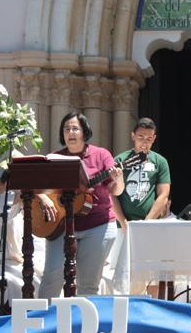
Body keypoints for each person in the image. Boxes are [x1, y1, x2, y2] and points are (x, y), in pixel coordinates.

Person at [37, 111, 124, 298]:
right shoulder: (55, 157)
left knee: (88, 284)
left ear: (84, 132)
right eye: (66, 129)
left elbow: (115, 191)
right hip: (61, 225)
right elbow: (38, 186)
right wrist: (44, 198)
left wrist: (118, 178)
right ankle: (41, 322)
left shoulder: (101, 155)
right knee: (52, 277)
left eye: (75, 128)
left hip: (98, 226)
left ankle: (83, 325)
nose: (70, 132)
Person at [109, 117, 172, 294]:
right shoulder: (120, 160)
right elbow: (112, 194)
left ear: (154, 139)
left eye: (149, 138)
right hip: (124, 227)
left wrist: (147, 222)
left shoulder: (160, 162)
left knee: (151, 274)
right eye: (141, 137)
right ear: (133, 136)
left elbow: (163, 195)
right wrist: (122, 222)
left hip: (150, 227)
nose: (145, 142)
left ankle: (152, 313)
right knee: (122, 275)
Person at [0, 169, 45, 301]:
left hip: (12, 264)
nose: (18, 194)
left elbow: (35, 240)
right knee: (22, 283)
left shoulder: (18, 206)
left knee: (45, 275)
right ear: (5, 184)